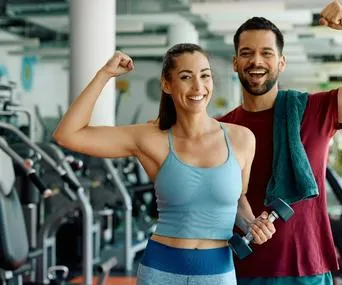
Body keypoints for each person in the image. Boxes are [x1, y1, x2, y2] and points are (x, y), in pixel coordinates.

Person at [53, 44, 276, 285]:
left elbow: (238, 200)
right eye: (185, 77)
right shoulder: (150, 138)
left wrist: (252, 224)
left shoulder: (242, 138)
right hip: (161, 271)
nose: (198, 87)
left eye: (205, 75)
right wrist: (104, 75)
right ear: (167, 84)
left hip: (217, 273)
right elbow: (68, 135)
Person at [217, 0, 342, 284]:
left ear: (281, 62)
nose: (256, 61)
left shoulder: (313, 110)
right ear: (235, 62)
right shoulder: (222, 129)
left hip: (308, 269)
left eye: (267, 53)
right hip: (242, 268)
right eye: (246, 53)